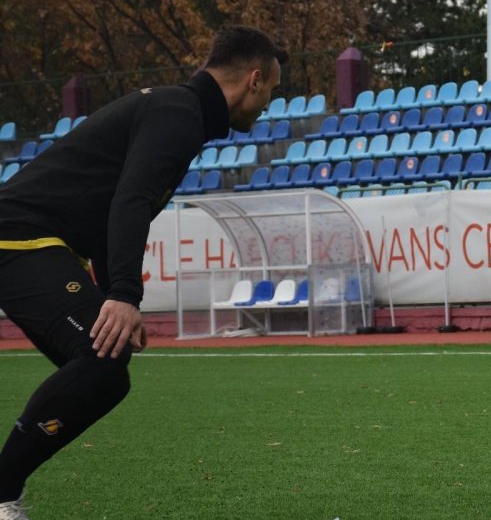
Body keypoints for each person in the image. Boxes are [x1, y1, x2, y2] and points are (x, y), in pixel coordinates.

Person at [0, 25, 287, 518]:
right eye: (272, 91)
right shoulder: (178, 113)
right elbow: (131, 201)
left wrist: (116, 291)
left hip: (36, 244)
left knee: (108, 371)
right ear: (254, 79)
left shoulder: (179, 112)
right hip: (17, 238)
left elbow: (115, 206)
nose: (268, 106)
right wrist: (124, 297)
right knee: (101, 356)